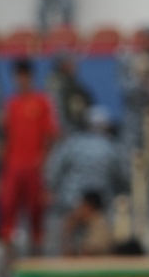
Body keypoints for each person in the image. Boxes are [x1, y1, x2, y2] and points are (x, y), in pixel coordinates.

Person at [0, 58, 59, 251]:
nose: (21, 80)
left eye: (25, 76)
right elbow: (6, 133)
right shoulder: (11, 103)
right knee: (7, 204)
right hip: (13, 164)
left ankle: (37, 243)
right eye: (18, 76)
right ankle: (8, 245)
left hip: (34, 164)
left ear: (31, 77)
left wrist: (44, 157)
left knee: (35, 208)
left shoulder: (42, 102)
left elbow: (51, 134)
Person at [44, 106, 125, 252]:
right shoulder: (112, 148)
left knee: (67, 247)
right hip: (100, 210)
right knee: (97, 250)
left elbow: (52, 172)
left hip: (70, 206)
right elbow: (123, 178)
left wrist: (54, 191)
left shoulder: (71, 144)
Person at [60, 189, 114, 256]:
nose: (78, 210)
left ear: (89, 207)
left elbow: (85, 257)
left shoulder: (99, 224)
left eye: (81, 205)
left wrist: (68, 233)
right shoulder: (90, 224)